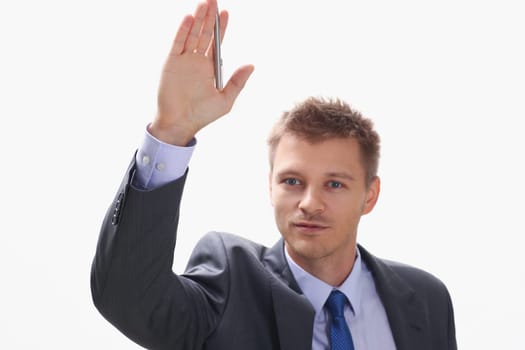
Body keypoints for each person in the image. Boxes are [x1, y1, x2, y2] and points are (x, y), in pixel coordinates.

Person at [91, 0, 457, 349]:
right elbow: (128, 297)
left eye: (334, 184)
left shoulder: (426, 300)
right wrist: (171, 131)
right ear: (269, 187)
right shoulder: (231, 282)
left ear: (370, 195)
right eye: (292, 182)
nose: (310, 203)